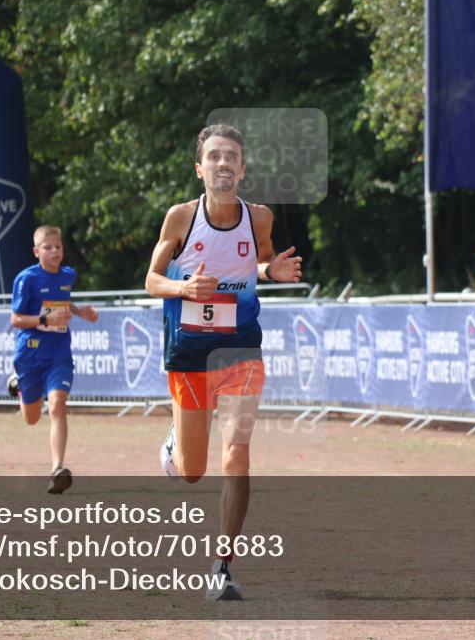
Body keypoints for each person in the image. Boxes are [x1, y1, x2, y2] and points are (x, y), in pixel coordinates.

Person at [145, 124, 302, 601]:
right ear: (200, 168)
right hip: (189, 352)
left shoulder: (259, 219)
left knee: (236, 454)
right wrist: (182, 288)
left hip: (240, 349)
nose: (223, 163)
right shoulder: (179, 218)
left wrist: (268, 271)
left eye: (231, 156)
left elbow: (260, 262)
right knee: (192, 471)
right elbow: (152, 279)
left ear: (242, 168)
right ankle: (176, 441)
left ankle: (223, 565)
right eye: (214, 156)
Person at [7, 225, 99, 493]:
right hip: (30, 354)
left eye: (58, 246)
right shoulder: (26, 279)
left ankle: (58, 468)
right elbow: (15, 319)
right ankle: (21, 385)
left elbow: (63, 301)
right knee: (32, 418)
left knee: (58, 406)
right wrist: (45, 319)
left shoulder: (68, 275)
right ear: (37, 252)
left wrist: (81, 312)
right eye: (48, 247)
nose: (55, 251)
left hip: (59, 353)